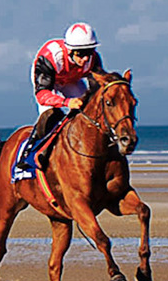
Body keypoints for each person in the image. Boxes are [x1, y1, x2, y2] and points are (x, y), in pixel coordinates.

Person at [15, 23, 104, 179]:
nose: (85, 58)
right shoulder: (50, 56)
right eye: (80, 53)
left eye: (89, 52)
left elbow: (97, 89)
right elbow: (42, 95)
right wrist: (67, 103)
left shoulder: (93, 59)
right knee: (48, 115)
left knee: (90, 111)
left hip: (72, 80)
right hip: (48, 83)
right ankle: (27, 155)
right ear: (70, 50)